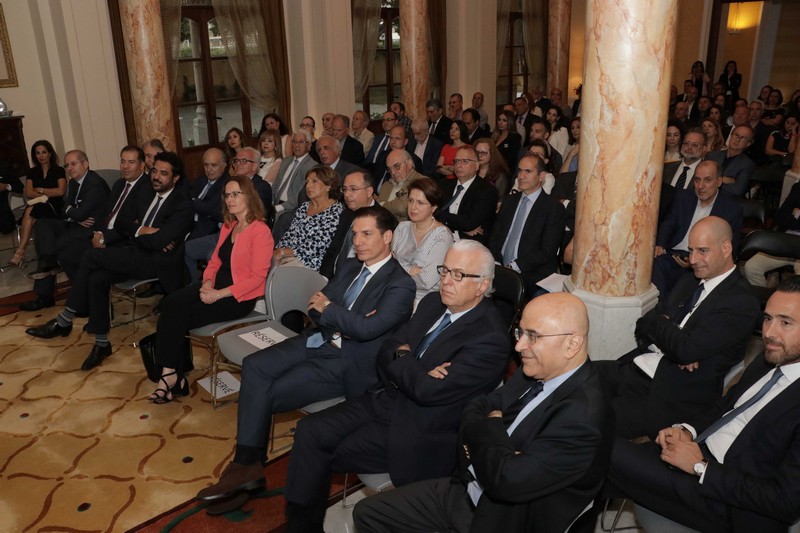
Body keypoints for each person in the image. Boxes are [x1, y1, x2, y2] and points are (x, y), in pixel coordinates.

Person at [194, 206, 415, 507]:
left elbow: (367, 330)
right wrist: (342, 316)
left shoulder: (401, 284)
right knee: (254, 366)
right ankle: (248, 465)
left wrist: (333, 310)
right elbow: (313, 307)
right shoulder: (350, 266)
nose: (358, 242)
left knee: (262, 394)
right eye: (354, 235)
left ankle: (246, 468)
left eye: (367, 234)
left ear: (388, 236)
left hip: (345, 362)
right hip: (317, 340)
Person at [284, 240, 508, 530]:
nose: (446, 281)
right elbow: (387, 350)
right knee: (308, 431)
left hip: (419, 428)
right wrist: (413, 363)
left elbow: (428, 391)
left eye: (458, 275)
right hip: (386, 398)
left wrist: (404, 356)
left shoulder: (490, 338)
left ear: (482, 285)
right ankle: (301, 524)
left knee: (319, 452)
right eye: (444, 271)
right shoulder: (432, 304)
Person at [353, 292, 614, 533]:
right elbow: (474, 408)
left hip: (503, 520)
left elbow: (507, 480)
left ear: (572, 344)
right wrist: (500, 445)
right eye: (519, 332)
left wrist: (490, 429)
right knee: (368, 513)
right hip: (466, 489)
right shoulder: (536, 370)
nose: (520, 346)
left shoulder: (583, 417)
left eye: (533, 336)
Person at [605, 275, 800, 532]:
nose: (769, 333)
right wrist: (687, 430)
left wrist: (700, 468)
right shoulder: (770, 360)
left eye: (786, 322)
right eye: (767, 319)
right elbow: (725, 407)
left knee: (597, 449)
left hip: (730, 505)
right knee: (587, 461)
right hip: (697, 456)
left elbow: (784, 501)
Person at [25, 152, 194, 371]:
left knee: (92, 255)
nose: (157, 177)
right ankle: (101, 343)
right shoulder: (147, 194)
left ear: (176, 178)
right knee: (97, 278)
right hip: (137, 253)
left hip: (158, 263)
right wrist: (145, 231)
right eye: (155, 171)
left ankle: (65, 318)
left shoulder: (183, 204)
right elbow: (123, 223)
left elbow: (159, 241)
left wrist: (147, 236)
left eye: (164, 173)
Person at [598, 216, 760, 438]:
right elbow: (644, 322)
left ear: (726, 248)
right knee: (567, 379)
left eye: (702, 251)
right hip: (634, 367)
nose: (693, 259)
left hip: (664, 393)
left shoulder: (741, 302)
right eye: (691, 250)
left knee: (589, 421)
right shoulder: (690, 281)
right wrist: (673, 339)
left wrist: (671, 336)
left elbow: (684, 349)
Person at [149, 175, 273, 404]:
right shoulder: (230, 225)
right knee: (170, 303)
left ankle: (171, 376)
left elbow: (257, 278)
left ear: (249, 196)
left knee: (178, 316)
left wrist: (218, 294)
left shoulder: (261, 231)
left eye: (236, 194)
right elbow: (215, 261)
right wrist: (207, 283)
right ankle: (173, 374)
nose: (230, 199)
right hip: (213, 287)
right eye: (227, 195)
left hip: (237, 297)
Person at [20, 147, 144, 311]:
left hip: (91, 227)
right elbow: (67, 210)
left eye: (73, 164)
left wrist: (73, 213)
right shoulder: (73, 182)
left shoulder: (95, 184)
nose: (70, 168)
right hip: (75, 224)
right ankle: (47, 269)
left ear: (85, 164)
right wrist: (73, 214)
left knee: (61, 246)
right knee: (43, 225)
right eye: (67, 165)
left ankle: (60, 291)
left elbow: (79, 213)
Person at [653, 161, 743, 300]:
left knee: (684, 284)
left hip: (704, 262)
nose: (701, 186)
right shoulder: (684, 197)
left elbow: (730, 248)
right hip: (674, 254)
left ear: (719, 181)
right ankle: (660, 310)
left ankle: (668, 311)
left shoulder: (731, 209)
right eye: (697, 180)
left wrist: (695, 261)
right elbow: (669, 223)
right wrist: (659, 244)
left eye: (707, 180)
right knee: (655, 265)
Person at [489, 154, 566, 298]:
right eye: (519, 171)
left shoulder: (553, 208)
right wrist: (496, 260)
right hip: (498, 268)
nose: (521, 176)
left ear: (541, 176)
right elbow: (496, 235)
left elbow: (547, 251)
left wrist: (515, 266)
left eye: (527, 171)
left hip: (530, 273)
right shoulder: (510, 200)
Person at [392, 177, 454, 305]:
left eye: (420, 203)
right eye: (410, 200)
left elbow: (426, 281)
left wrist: (398, 266)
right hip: (394, 292)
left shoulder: (442, 236)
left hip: (423, 301)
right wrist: (412, 270)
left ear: (433, 207)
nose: (413, 207)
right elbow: (387, 266)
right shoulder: (401, 228)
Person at [273, 166, 343, 271]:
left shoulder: (335, 211)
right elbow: (290, 235)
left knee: (276, 273)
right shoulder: (304, 207)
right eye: (307, 182)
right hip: (288, 257)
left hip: (310, 264)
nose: (308, 186)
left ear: (329, 186)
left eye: (314, 181)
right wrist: (280, 250)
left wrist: (283, 252)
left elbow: (318, 246)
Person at [9, 141, 67, 266]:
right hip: (38, 203)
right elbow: (28, 192)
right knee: (32, 211)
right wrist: (48, 194)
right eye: (38, 153)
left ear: (50, 153)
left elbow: (61, 191)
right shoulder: (32, 171)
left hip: (54, 205)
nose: (41, 156)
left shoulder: (59, 170)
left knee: (30, 211)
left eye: (44, 152)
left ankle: (20, 251)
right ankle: (35, 251)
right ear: (35, 156)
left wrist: (40, 190)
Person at [742, 181, 800, 288]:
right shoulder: (798, 187)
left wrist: (796, 215)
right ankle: (764, 301)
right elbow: (780, 217)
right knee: (751, 267)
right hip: (786, 241)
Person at [435, 146, 498, 244]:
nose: (459, 165)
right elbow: (430, 211)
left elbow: (470, 223)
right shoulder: (443, 185)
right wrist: (461, 226)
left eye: (465, 161)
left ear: (477, 166)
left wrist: (441, 218)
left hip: (468, 245)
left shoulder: (487, 191)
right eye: (456, 161)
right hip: (439, 238)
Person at [270, 129, 316, 233]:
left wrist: (278, 208)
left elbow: (301, 195)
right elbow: (276, 185)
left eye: (301, 142)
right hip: (276, 204)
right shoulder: (286, 161)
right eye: (294, 142)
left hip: (292, 208)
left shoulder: (311, 166)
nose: (297, 145)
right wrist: (270, 202)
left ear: (309, 145)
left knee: (276, 220)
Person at [706, 125, 756, 197]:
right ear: (731, 136)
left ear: (748, 144)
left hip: (725, 200)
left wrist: (712, 181)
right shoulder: (712, 156)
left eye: (742, 138)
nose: (737, 139)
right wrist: (723, 180)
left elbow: (737, 190)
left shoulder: (747, 164)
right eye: (736, 135)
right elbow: (699, 178)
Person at [377, 149, 422, 222]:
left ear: (409, 163)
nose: (393, 172)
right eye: (389, 169)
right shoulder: (386, 185)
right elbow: (377, 211)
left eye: (397, 166)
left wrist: (382, 204)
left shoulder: (421, 181)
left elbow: (403, 208)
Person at [475, 138, 510, 207]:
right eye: (477, 152)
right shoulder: (471, 171)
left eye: (483, 153)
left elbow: (499, 203)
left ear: (492, 154)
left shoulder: (499, 176)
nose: (479, 155)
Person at [492, 109, 522, 175]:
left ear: (510, 122)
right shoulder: (495, 136)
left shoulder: (514, 137)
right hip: (492, 169)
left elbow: (513, 159)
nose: (500, 122)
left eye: (504, 120)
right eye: (499, 120)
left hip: (505, 171)